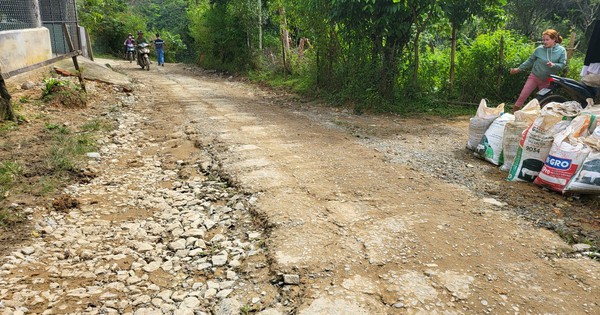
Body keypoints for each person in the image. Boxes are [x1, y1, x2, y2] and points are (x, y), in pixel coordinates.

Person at [510, 29, 567, 111]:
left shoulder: (561, 50)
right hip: (534, 76)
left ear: (554, 39)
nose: (544, 42)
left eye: (547, 40)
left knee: (544, 101)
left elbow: (562, 64)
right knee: (523, 96)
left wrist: (554, 65)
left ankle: (544, 118)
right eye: (543, 40)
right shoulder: (539, 49)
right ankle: (513, 114)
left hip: (548, 80)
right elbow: (530, 61)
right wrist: (518, 69)